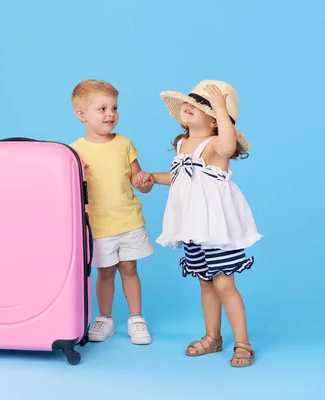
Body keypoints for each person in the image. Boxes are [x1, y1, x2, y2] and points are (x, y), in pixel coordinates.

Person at [138, 80, 262, 366]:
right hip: (192, 227)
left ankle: (243, 343)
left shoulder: (217, 145)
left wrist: (220, 108)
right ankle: (213, 337)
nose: (189, 107)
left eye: (200, 106)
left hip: (217, 228)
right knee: (206, 282)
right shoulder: (183, 143)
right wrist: (153, 178)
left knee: (224, 284)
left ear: (216, 121)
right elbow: (182, 179)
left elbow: (230, 147)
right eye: (190, 103)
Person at [69, 79, 155, 345]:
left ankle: (136, 318)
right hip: (98, 225)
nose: (110, 114)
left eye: (114, 108)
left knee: (129, 268)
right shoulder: (74, 151)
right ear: (81, 115)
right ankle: (105, 319)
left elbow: (138, 181)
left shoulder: (124, 143)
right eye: (102, 108)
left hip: (128, 221)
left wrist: (145, 183)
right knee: (105, 272)